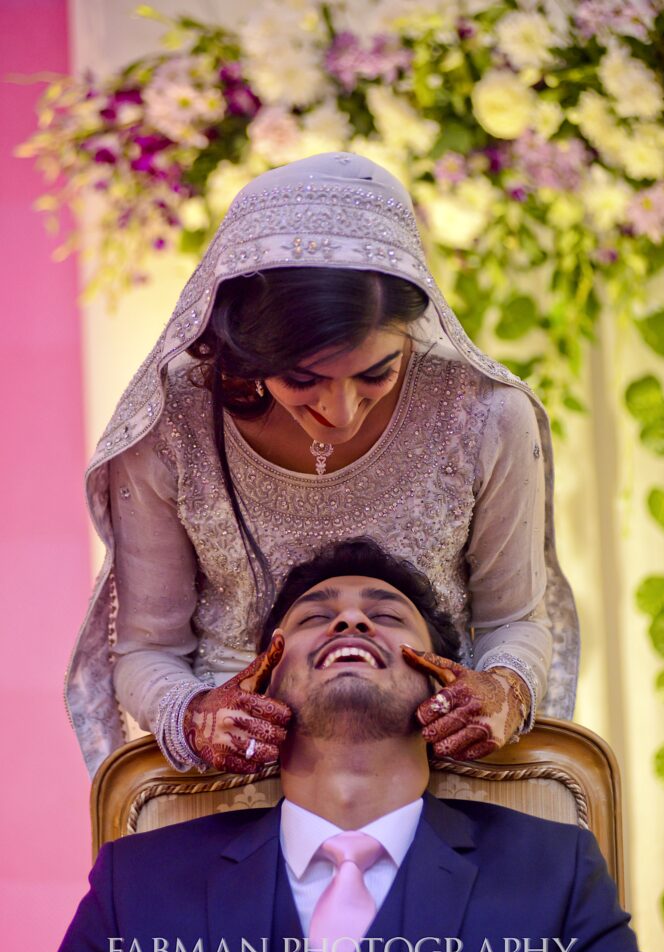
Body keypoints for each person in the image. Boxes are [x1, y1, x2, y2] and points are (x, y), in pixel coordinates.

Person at [66, 151, 579, 779]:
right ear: (246, 350)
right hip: (232, 780)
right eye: (302, 379)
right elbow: (148, 650)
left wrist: (503, 692)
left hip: (431, 766)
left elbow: (515, 620)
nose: (339, 412)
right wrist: (197, 717)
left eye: (376, 374)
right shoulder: (174, 423)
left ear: (413, 330)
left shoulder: (486, 414)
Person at [24, 541, 664, 952]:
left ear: (442, 683)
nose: (351, 622)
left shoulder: (554, 870)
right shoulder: (137, 883)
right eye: (315, 617)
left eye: (386, 616)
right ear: (264, 682)